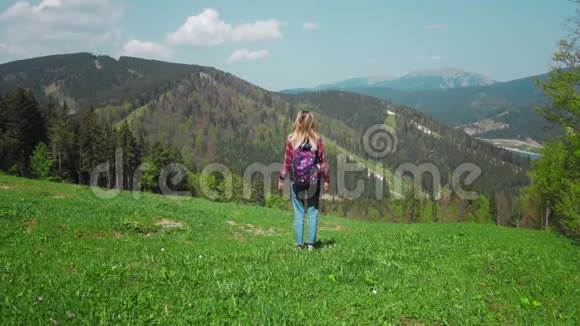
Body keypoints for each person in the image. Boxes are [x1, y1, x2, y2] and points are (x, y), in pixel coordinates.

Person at [278, 110, 330, 251]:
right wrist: (326, 180)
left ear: (297, 122)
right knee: (312, 211)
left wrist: (281, 179)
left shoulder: (292, 140)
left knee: (299, 212)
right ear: (312, 123)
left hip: (297, 181)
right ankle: (311, 245)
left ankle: (299, 246)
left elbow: (287, 163)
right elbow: (323, 163)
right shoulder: (317, 141)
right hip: (313, 182)